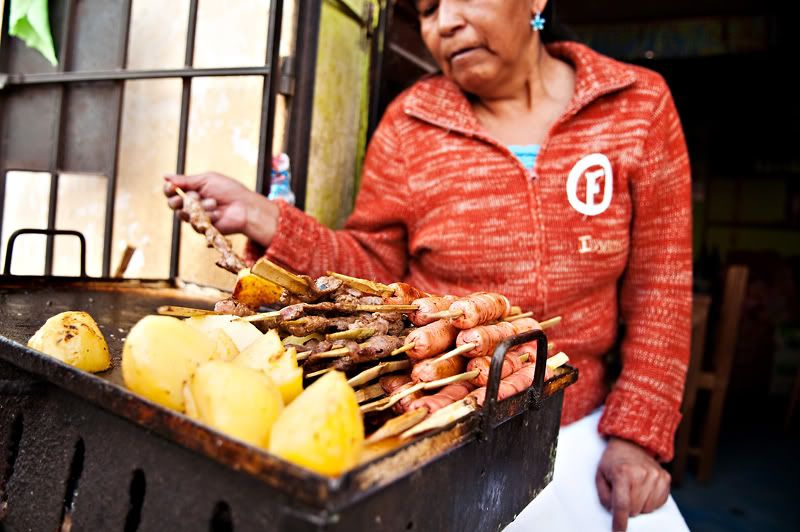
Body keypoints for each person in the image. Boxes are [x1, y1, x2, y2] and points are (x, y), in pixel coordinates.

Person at [165, 1, 691, 530]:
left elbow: (662, 289)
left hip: (585, 427)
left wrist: (635, 439)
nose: (446, 23)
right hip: (446, 425)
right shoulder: (410, 123)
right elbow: (372, 266)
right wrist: (268, 219)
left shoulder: (636, 107)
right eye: (426, 9)